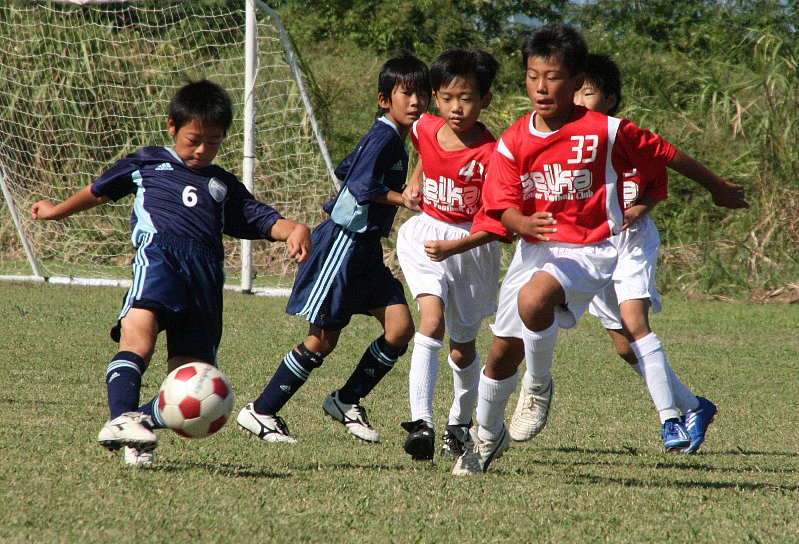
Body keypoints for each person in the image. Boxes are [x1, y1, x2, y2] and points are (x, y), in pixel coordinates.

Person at [452, 23, 748, 476]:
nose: (541, 87)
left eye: (552, 77)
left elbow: (666, 154)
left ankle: (538, 385)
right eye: (532, 76)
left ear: (575, 81)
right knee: (500, 353)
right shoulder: (513, 140)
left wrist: (716, 187)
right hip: (535, 251)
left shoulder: (605, 131)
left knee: (535, 299)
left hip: (589, 249)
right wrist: (522, 223)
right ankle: (487, 438)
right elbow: (501, 205)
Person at [32, 79, 312, 466]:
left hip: (206, 277)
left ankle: (137, 427)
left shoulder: (222, 184)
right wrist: (55, 211)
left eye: (213, 142)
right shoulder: (147, 162)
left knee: (193, 378)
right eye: (194, 140)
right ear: (172, 127)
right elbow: (97, 191)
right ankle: (121, 417)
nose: (201, 150)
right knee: (138, 338)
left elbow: (263, 220)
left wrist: (295, 229)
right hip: (160, 257)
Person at [237, 52, 431, 444]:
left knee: (399, 329)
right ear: (384, 100)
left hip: (367, 252)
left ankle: (346, 400)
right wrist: (401, 198)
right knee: (322, 340)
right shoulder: (385, 137)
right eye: (406, 94)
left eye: (421, 94)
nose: (416, 102)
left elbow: (346, 169)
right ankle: (261, 410)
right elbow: (359, 185)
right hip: (342, 246)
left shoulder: (392, 137)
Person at [574, 53, 716, 453]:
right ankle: (695, 406)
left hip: (631, 240)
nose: (579, 101)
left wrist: (637, 210)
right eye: (575, 93)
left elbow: (657, 184)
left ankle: (669, 420)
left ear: (610, 99)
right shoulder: (569, 141)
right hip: (592, 243)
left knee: (635, 322)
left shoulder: (627, 137)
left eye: (587, 93)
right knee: (624, 346)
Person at [394, 49, 511, 460]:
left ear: (485, 100)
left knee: (462, 347)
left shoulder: (493, 154)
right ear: (435, 98)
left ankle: (459, 424)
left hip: (469, 246)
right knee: (431, 319)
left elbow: (499, 225)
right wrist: (415, 180)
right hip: (426, 236)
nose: (456, 108)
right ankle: (421, 423)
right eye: (446, 98)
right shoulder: (424, 127)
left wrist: (455, 247)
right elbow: (423, 153)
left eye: (466, 98)